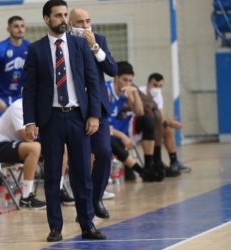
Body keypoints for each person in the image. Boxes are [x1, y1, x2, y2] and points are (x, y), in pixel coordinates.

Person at [23, 0, 105, 242]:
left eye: (65, 15)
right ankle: (55, 228)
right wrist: (30, 121)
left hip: (79, 117)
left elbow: (93, 82)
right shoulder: (36, 49)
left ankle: (87, 225)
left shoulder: (80, 44)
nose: (63, 19)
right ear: (46, 19)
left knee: (82, 175)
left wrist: (94, 114)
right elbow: (29, 89)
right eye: (58, 15)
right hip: (51, 120)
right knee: (52, 176)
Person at [68, 7, 117, 219]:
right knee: (79, 161)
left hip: (99, 108)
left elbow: (112, 70)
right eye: (80, 22)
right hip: (74, 109)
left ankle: (96, 198)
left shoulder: (99, 40)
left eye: (88, 21)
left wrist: (95, 47)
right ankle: (84, 207)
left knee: (105, 152)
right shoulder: (63, 43)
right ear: (71, 25)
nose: (85, 26)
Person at [107, 62, 165, 181]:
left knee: (147, 120)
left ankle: (149, 166)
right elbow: (101, 123)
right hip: (103, 128)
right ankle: (142, 171)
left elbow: (139, 113)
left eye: (130, 81)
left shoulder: (124, 93)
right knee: (107, 138)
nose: (128, 84)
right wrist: (123, 136)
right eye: (125, 80)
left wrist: (134, 92)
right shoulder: (106, 90)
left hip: (116, 125)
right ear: (116, 78)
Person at [139, 73, 191, 172]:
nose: (157, 88)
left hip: (151, 122)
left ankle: (174, 161)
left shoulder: (158, 96)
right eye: (155, 85)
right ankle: (153, 162)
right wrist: (169, 122)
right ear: (148, 84)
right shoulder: (140, 92)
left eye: (160, 86)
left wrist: (170, 123)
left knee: (167, 128)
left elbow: (161, 115)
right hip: (138, 121)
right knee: (157, 125)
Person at [0, 16, 30, 115]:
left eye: (22, 26)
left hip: (19, 97)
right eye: (16, 26)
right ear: (8, 29)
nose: (20, 29)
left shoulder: (30, 48)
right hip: (0, 97)